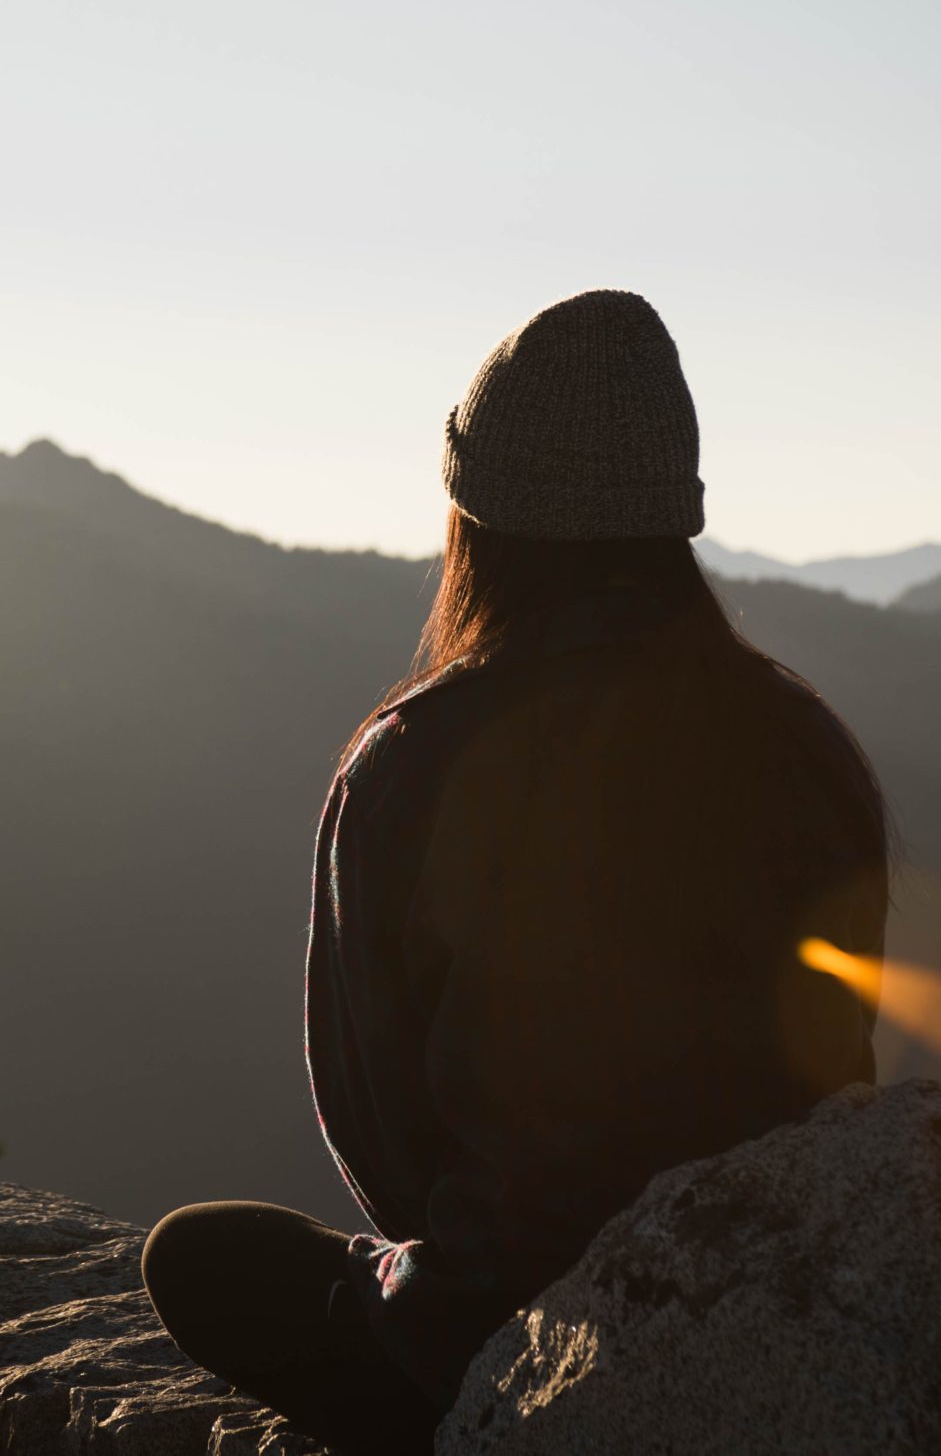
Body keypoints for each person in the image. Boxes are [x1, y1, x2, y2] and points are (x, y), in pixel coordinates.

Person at [139, 289, 890, 1453]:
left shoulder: (413, 758)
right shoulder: (800, 743)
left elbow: (375, 1114)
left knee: (201, 1255)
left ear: (477, 516)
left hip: (509, 1331)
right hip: (775, 1298)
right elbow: (839, 1058)